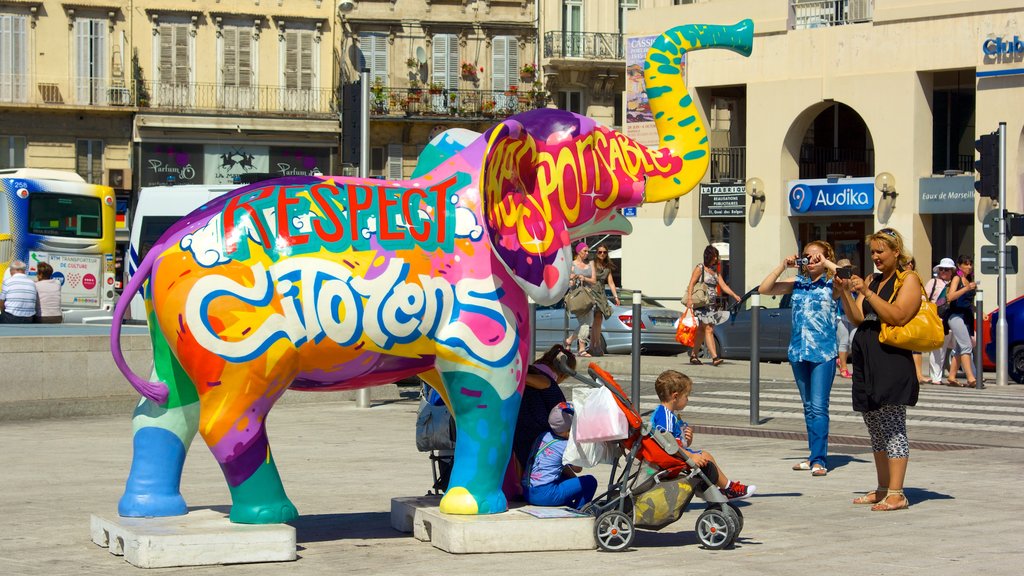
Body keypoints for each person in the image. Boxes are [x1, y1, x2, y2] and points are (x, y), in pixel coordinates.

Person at [838, 228, 920, 511]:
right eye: (872, 252)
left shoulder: (907, 279)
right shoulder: (873, 279)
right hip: (867, 357)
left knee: (893, 426)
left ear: (896, 252)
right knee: (874, 426)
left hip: (891, 358)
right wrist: (845, 294)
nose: (875, 257)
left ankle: (897, 492)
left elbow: (897, 316)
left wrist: (868, 292)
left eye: (880, 252)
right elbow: (859, 318)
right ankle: (884, 487)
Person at [759, 241, 840, 476]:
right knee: (808, 408)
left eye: (817, 256)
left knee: (818, 406)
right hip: (798, 351)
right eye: (807, 256)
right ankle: (813, 454)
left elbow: (848, 277)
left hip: (823, 352)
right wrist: (783, 266)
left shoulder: (832, 284)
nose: (811, 260)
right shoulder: (798, 284)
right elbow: (764, 289)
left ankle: (819, 460)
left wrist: (825, 264)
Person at [651, 370, 755, 500]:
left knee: (705, 457)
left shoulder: (668, 415)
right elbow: (668, 444)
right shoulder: (665, 416)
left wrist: (687, 441)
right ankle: (727, 489)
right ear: (675, 396)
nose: (687, 399)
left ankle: (719, 489)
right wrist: (690, 455)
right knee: (705, 457)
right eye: (686, 396)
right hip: (670, 458)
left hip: (676, 454)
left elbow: (674, 442)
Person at [512, 345, 576, 477]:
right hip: (539, 441)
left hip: (519, 433)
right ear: (563, 374)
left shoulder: (532, 371)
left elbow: (518, 378)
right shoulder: (547, 382)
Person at [521, 402, 598, 510]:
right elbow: (578, 469)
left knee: (565, 478)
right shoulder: (567, 446)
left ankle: (568, 504)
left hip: (528, 492)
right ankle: (581, 510)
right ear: (569, 431)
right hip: (546, 494)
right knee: (590, 481)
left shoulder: (542, 436)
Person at [685, 245, 741, 366]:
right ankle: (715, 358)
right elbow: (691, 283)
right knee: (709, 328)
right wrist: (689, 299)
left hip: (711, 305)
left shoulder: (715, 272)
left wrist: (734, 295)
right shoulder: (700, 268)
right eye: (714, 256)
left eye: (717, 256)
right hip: (701, 303)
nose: (716, 258)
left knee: (701, 330)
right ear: (709, 256)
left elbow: (724, 286)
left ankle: (694, 355)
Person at [944, 255, 977, 388]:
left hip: (966, 316)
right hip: (955, 315)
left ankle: (952, 377)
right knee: (966, 345)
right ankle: (970, 377)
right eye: (966, 264)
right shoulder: (957, 278)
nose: (969, 267)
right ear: (959, 266)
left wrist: (979, 311)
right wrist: (966, 289)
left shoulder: (968, 279)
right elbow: (950, 297)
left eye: (970, 264)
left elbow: (967, 302)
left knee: (959, 348)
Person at [924, 258, 956, 385]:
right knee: (939, 349)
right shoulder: (933, 282)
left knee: (963, 346)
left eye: (946, 269)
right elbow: (924, 297)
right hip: (938, 318)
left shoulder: (955, 283)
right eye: (941, 269)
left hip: (953, 317)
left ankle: (973, 374)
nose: (943, 271)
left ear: (952, 271)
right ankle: (936, 377)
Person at [565, 242, 597, 357]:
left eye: (588, 251)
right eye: (585, 251)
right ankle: (582, 349)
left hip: (588, 297)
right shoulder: (572, 264)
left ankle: (569, 340)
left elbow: (594, 280)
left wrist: (585, 278)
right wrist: (571, 279)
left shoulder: (591, 263)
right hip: (578, 298)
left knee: (588, 323)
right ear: (578, 252)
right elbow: (568, 281)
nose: (587, 253)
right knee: (584, 323)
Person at [589, 245, 620, 357]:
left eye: (604, 252)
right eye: (600, 252)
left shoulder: (607, 267)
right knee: (593, 320)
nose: (602, 254)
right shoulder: (592, 263)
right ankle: (594, 345)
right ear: (596, 253)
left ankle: (595, 345)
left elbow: (611, 282)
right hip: (591, 292)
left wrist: (615, 296)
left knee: (598, 319)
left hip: (601, 294)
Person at [835, 258, 857, 379]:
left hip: (852, 315)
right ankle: (843, 367)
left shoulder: (854, 279)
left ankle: (843, 362)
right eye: (845, 269)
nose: (848, 271)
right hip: (840, 314)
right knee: (844, 340)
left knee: (854, 340)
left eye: (849, 268)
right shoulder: (836, 281)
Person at [0, 260, 39, 324]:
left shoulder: (8, 282)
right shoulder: (32, 283)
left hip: (11, 317)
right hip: (29, 318)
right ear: (24, 271)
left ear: (11, 270)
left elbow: (1, 302)